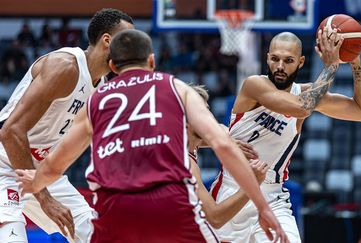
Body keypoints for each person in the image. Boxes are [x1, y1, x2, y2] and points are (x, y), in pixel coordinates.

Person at [16, 29, 288, 243]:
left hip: (115, 212)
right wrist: (262, 205)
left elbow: (56, 163)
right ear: (152, 61)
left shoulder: (96, 99)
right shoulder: (175, 88)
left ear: (112, 65)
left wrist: (35, 182)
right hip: (168, 208)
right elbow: (222, 144)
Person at [210, 28, 361, 242]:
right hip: (232, 191)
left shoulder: (308, 94)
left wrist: (354, 61)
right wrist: (332, 65)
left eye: (288, 60)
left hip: (272, 195)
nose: (280, 66)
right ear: (267, 58)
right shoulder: (254, 85)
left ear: (301, 62)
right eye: (275, 59)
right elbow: (303, 108)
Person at [0, 8, 134, 243]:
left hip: (41, 171)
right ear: (107, 40)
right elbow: (11, 132)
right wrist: (44, 197)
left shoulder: (101, 88)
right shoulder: (65, 66)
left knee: (96, 235)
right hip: (5, 163)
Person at [188, 84, 269, 229]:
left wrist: (229, 141)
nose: (210, 117)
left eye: (208, 111)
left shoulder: (186, 140)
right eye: (203, 112)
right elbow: (215, 218)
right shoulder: (185, 163)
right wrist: (252, 185)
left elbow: (221, 130)